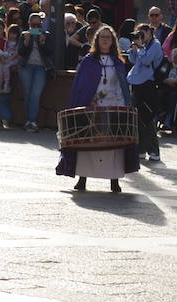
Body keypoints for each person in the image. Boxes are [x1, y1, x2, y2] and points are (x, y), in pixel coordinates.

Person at [57, 25, 139, 192]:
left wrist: (122, 105)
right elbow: (81, 86)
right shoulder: (89, 61)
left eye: (108, 37)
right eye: (102, 37)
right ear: (97, 40)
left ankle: (114, 180)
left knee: (114, 144)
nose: (105, 40)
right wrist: (90, 100)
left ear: (113, 41)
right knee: (87, 142)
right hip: (92, 105)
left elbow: (121, 86)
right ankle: (83, 178)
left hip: (113, 105)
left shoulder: (118, 62)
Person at [126, 23, 164, 162]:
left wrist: (141, 47)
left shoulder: (155, 45)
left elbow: (147, 61)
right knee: (137, 118)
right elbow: (132, 60)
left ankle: (154, 150)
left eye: (143, 34)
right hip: (136, 83)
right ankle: (141, 149)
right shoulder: (142, 45)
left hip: (148, 84)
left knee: (147, 118)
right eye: (138, 34)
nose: (140, 36)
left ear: (150, 32)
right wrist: (134, 48)